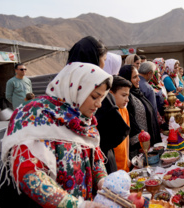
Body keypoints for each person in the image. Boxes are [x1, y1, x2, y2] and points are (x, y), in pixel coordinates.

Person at [0, 62, 121, 208]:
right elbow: (28, 174)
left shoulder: (84, 121)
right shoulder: (34, 115)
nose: (99, 104)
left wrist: (103, 182)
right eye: (95, 96)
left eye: (102, 98)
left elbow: (94, 158)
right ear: (76, 89)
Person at [68, 36, 130, 175]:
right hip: (99, 160)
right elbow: (117, 130)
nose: (98, 104)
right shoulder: (94, 88)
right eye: (104, 59)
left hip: (94, 165)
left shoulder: (66, 89)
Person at [119, 65, 162, 159]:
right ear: (127, 79)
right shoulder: (127, 98)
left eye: (138, 76)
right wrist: (142, 143)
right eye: (134, 77)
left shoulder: (137, 93)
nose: (138, 79)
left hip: (147, 144)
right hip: (140, 149)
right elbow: (131, 124)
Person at [110, 76, 132, 172]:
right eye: (123, 95)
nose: (127, 100)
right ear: (111, 94)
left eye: (128, 96)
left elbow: (126, 136)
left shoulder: (124, 110)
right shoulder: (107, 114)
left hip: (124, 163)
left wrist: (127, 157)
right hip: (113, 166)